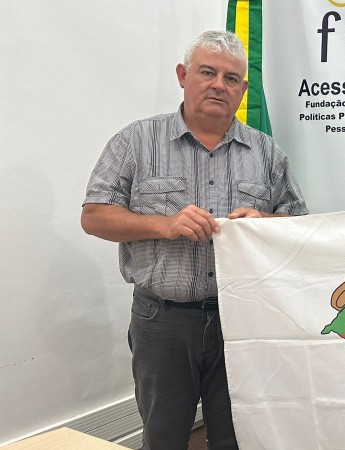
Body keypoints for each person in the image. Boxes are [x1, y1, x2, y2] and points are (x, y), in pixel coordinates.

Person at [81, 30, 308, 449]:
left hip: (243, 321)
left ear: (242, 89)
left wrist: (264, 221)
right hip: (162, 322)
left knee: (237, 436)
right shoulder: (136, 142)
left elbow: (298, 223)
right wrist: (162, 225)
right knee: (164, 436)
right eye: (207, 72)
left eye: (232, 77)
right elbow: (94, 217)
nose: (219, 84)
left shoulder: (267, 153)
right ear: (183, 76)